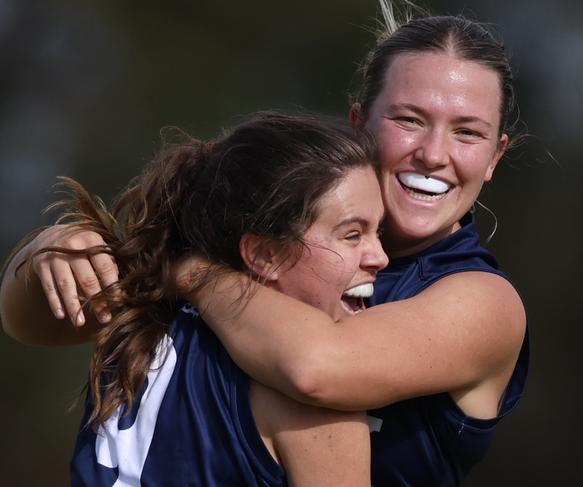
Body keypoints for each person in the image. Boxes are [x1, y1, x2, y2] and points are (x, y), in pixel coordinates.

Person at [1, 2, 529, 486]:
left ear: (495, 157)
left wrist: (186, 270)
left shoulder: (483, 302)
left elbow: (318, 369)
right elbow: (34, 321)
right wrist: (54, 249)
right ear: (359, 126)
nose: (434, 154)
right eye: (409, 120)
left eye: (467, 133)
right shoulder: (266, 227)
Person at [2, 113, 388, 486]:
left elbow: (21, 316)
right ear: (265, 255)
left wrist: (42, 247)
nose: (381, 257)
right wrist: (47, 246)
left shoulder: (143, 316)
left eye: (378, 231)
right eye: (353, 235)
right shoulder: (313, 401)